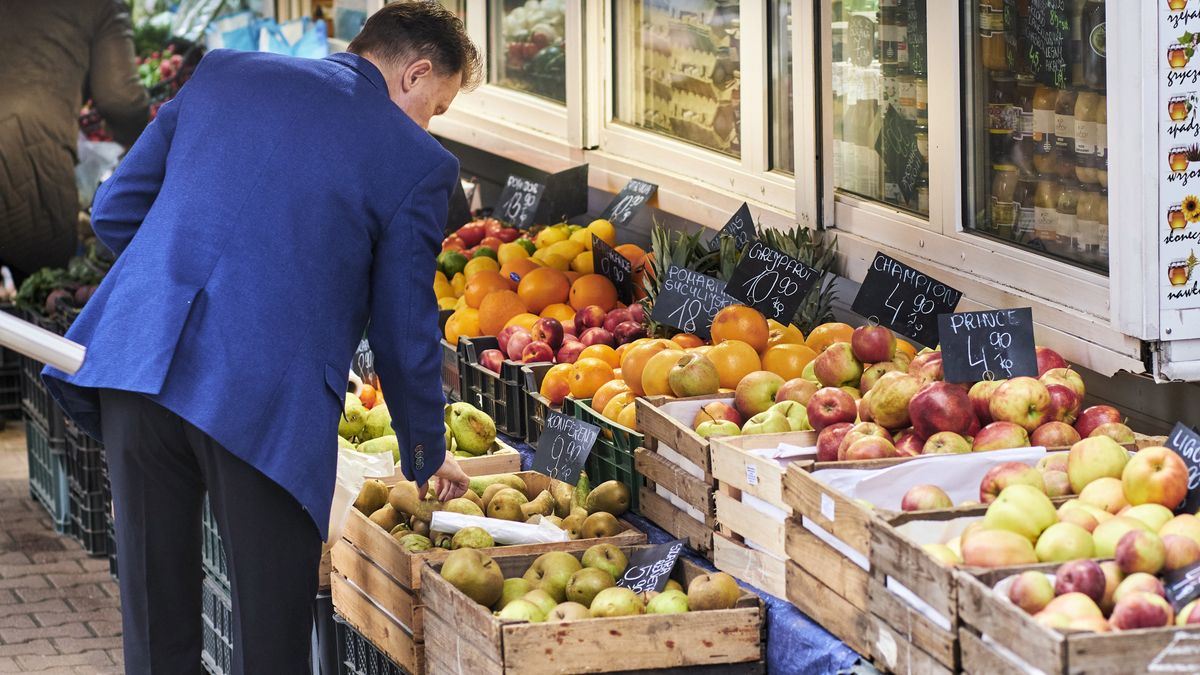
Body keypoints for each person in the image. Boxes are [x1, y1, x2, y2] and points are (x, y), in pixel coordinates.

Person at [42, 4, 479, 673]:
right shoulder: (416, 161)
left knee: (156, 630)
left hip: (140, 368)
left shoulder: (225, 74)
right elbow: (404, 327)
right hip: (265, 401)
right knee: (270, 639)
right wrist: (425, 450)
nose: (431, 124)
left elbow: (114, 208)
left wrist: (183, 279)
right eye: (438, 106)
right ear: (414, 75)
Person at [0, 0, 150, 282]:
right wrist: (146, 150)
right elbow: (121, 100)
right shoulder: (102, 6)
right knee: (35, 293)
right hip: (26, 168)